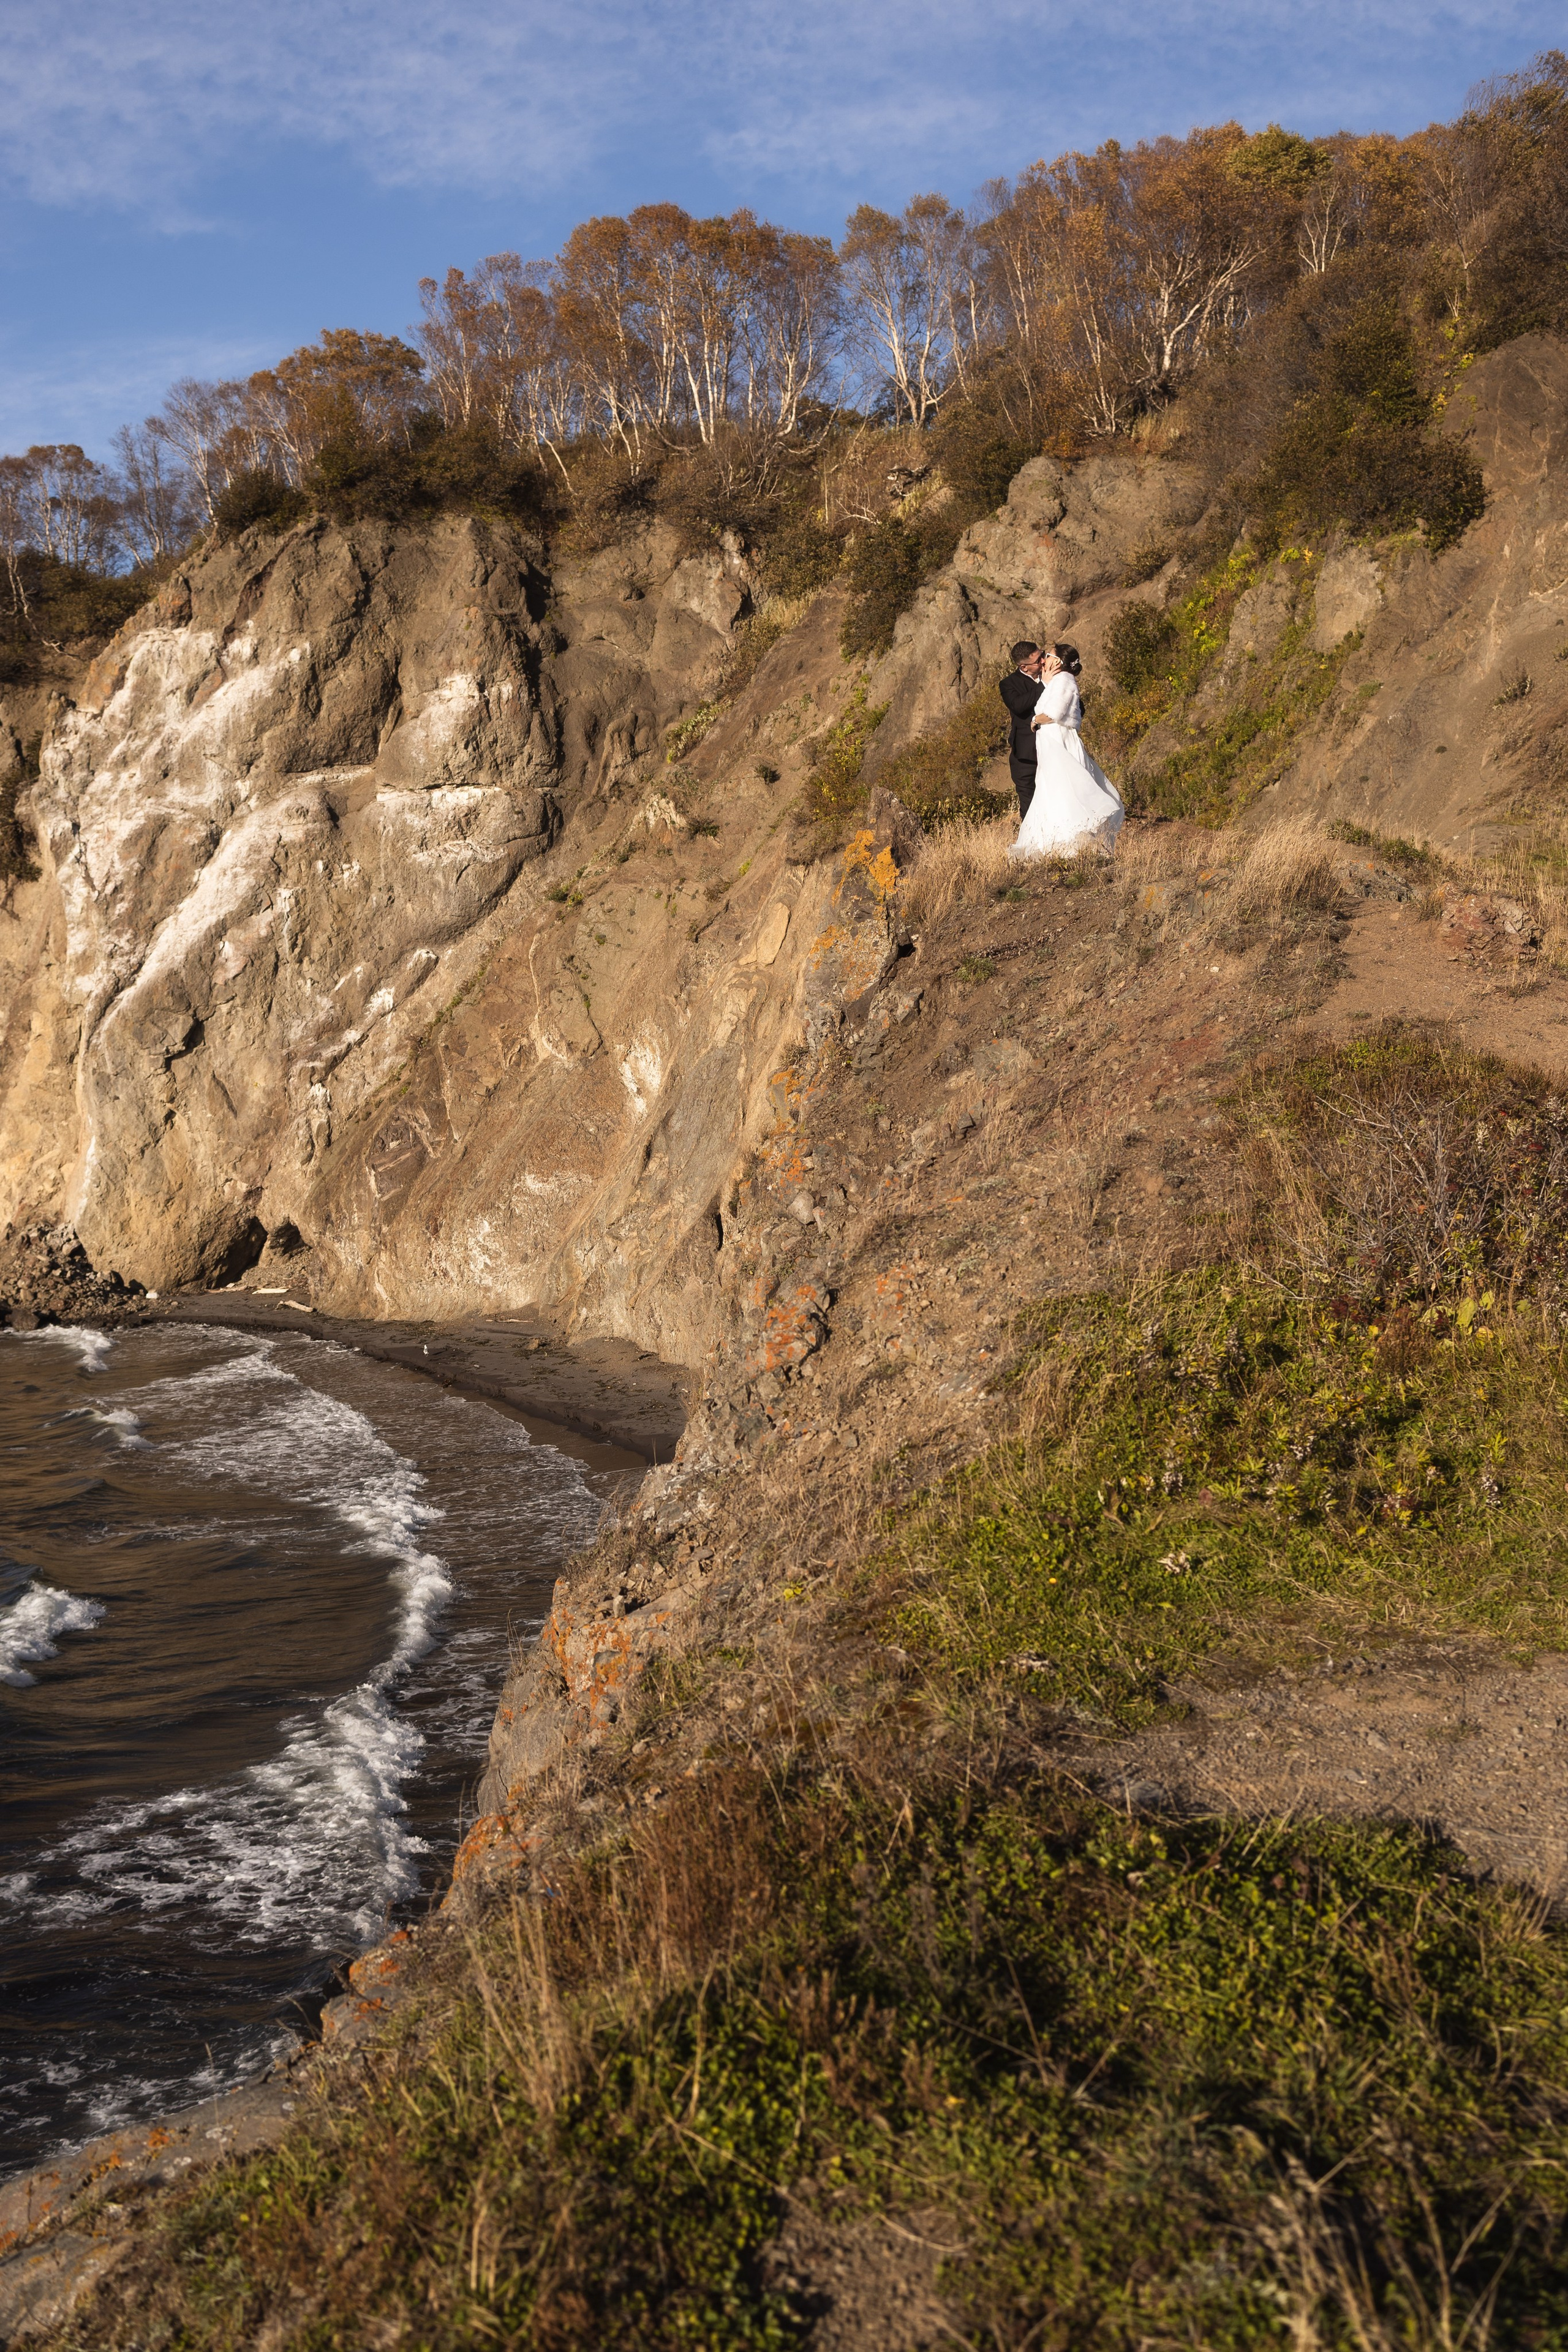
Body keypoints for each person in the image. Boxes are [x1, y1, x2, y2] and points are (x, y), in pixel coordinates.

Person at [1009, 642, 1124, 861]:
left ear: (1058, 662)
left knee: (1064, 790)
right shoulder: (1054, 681)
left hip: (1058, 741)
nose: (1044, 659)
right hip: (1050, 743)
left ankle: (1068, 847)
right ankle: (1053, 846)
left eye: (1048, 655)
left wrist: (1035, 720)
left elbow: (1054, 712)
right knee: (1052, 792)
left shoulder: (1064, 680)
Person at [998, 641, 1045, 821]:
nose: (1043, 661)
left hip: (1056, 749)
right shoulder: (1008, 684)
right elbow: (1018, 707)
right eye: (1037, 660)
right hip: (1026, 756)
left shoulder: (1055, 676)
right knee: (1030, 805)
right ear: (1024, 667)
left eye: (1042, 655)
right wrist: (1044, 684)